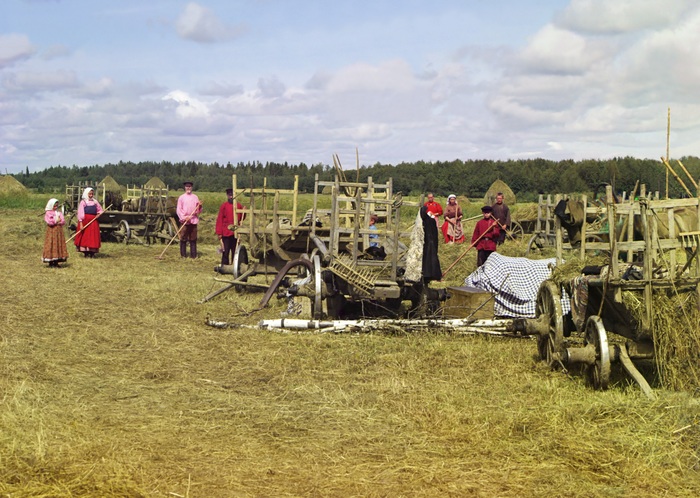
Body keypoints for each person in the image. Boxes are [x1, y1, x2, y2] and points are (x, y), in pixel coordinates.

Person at [215, 188, 245, 265]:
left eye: (232, 195)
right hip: (226, 232)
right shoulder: (224, 206)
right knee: (226, 250)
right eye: (229, 195)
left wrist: (244, 212)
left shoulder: (238, 205)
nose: (231, 197)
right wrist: (219, 233)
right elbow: (219, 220)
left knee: (235, 250)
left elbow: (242, 217)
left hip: (235, 232)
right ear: (227, 196)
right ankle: (225, 266)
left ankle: (234, 265)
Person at [74, 187, 103, 258]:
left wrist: (98, 215)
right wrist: (81, 224)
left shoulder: (95, 202)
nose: (91, 195)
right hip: (85, 221)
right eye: (89, 194)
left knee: (92, 237)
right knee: (85, 237)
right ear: (86, 194)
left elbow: (100, 210)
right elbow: (80, 213)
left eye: (92, 194)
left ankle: (92, 252)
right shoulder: (83, 202)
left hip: (93, 222)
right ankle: (86, 252)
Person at [177, 181, 203, 259]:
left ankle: (193, 255)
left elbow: (198, 210)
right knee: (183, 238)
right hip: (185, 220)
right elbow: (179, 209)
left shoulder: (195, 197)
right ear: (185, 188)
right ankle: (183, 255)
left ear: (192, 187)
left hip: (193, 220)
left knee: (193, 238)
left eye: (190, 187)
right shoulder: (181, 197)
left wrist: (200, 206)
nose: (188, 188)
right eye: (187, 187)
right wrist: (184, 218)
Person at [42, 198, 68, 267]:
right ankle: (51, 261)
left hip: (58, 231)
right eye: (54, 206)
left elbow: (62, 221)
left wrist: (59, 221)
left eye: (56, 206)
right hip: (51, 231)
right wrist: (56, 220)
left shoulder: (58, 213)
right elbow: (50, 222)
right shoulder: (48, 213)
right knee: (51, 244)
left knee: (58, 244)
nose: (56, 207)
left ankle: (56, 261)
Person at [420, 204, 442, 282]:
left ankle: (432, 275)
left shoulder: (431, 221)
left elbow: (434, 233)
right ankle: (426, 274)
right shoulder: (421, 222)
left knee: (431, 258)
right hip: (425, 243)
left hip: (430, 243)